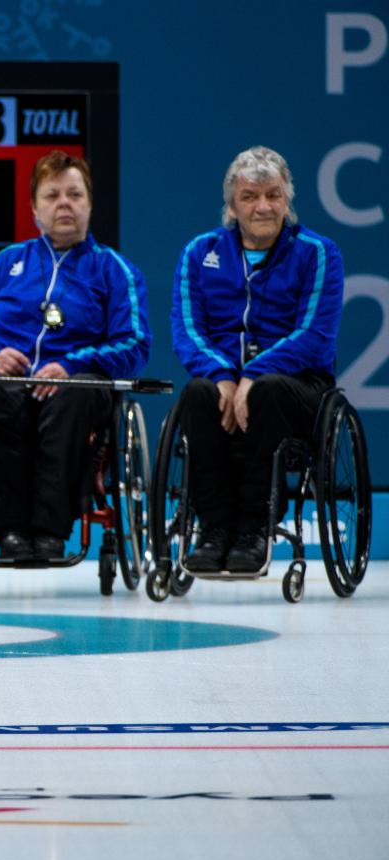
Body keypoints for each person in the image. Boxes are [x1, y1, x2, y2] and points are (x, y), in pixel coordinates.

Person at [0, 150, 150, 561]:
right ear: (34, 208)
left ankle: (50, 529)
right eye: (52, 196)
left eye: (74, 194)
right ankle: (9, 528)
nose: (64, 203)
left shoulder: (115, 270)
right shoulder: (4, 264)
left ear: (89, 203)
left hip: (77, 386)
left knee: (72, 399)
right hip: (9, 384)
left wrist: (71, 365)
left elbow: (135, 345)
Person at [171, 145, 343, 574]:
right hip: (226, 380)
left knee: (266, 392)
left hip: (298, 387)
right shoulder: (199, 253)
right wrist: (223, 376)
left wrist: (252, 374)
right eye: (250, 196)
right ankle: (212, 529)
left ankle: (254, 529)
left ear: (287, 199)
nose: (263, 206)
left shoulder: (318, 253)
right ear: (232, 205)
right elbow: (188, 331)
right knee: (197, 394)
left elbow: (315, 336)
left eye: (273, 194)